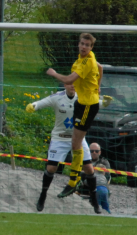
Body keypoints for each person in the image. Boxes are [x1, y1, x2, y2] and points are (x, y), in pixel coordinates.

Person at [45, 33, 103, 211]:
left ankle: (73, 182)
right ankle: (74, 180)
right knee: (75, 143)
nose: (84, 47)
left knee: (76, 143)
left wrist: (54, 73)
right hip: (81, 103)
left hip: (88, 106)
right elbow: (100, 67)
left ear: (91, 47)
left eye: (87, 45)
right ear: (79, 44)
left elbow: (69, 80)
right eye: (82, 43)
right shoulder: (85, 58)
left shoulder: (87, 62)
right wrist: (98, 85)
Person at [25, 83, 94, 212]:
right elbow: (41, 102)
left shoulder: (83, 96)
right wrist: (33, 105)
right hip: (59, 137)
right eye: (70, 83)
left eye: (75, 83)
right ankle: (43, 195)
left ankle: (94, 200)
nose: (73, 86)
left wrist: (104, 102)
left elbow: (96, 101)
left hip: (78, 137)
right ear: (65, 85)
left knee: (89, 168)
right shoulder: (57, 97)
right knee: (51, 168)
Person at [88, 142, 112, 214]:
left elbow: (107, 175)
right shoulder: (84, 161)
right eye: (91, 151)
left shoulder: (104, 162)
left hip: (99, 185)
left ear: (100, 152)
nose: (94, 153)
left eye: (96, 151)